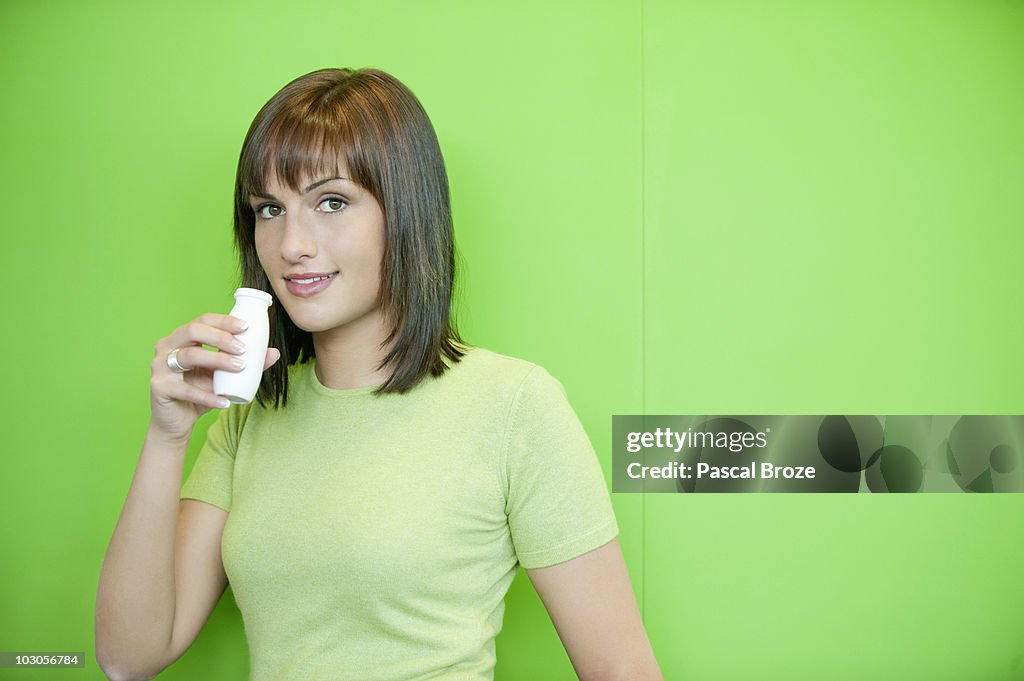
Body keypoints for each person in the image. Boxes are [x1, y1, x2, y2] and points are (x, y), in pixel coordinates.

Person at [95, 67, 663, 681]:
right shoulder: (248, 422)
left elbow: (622, 670)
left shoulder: (514, 406)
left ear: (406, 210)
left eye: (331, 202)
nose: (291, 245)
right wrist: (167, 436)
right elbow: (130, 658)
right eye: (268, 209)